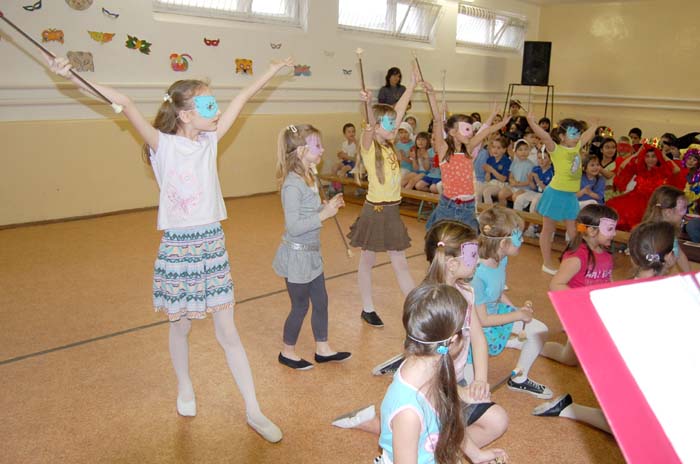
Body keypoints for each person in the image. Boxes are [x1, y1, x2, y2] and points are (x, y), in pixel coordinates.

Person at [45, 54, 291, 441]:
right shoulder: (162, 145)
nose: (216, 110)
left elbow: (243, 98)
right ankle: (185, 387)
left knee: (228, 331)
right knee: (181, 326)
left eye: (215, 104)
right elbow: (124, 102)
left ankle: (254, 410)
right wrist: (71, 77)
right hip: (178, 249)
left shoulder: (210, 141)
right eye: (207, 105)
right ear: (185, 115)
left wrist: (271, 71)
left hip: (212, 246)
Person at [333, 221, 509, 464]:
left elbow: (447, 404)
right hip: (440, 387)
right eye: (473, 254)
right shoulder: (430, 307)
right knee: (420, 427)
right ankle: (386, 427)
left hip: (447, 383)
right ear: (452, 340)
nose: (478, 260)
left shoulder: (461, 297)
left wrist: (477, 382)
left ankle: (400, 433)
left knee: (488, 421)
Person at [533, 220, 677, 432]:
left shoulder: (648, 287)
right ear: (668, 256)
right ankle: (571, 409)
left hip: (632, 370)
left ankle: (571, 409)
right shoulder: (645, 293)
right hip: (624, 372)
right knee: (630, 428)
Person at [273, 124, 351, 370]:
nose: (322, 149)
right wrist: (324, 215)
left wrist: (326, 208)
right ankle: (287, 352)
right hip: (297, 256)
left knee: (321, 301)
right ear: (301, 152)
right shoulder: (292, 185)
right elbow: (294, 226)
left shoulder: (310, 177)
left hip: (312, 254)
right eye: (317, 145)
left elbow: (309, 212)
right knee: (300, 306)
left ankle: (322, 348)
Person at [348, 65, 419, 328]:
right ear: (377, 126)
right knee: (368, 261)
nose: (395, 125)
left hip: (391, 212)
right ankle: (368, 308)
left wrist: (412, 85)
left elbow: (397, 111)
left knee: (400, 263)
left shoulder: (389, 143)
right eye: (389, 123)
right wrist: (366, 105)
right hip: (376, 211)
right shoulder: (369, 146)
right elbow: (369, 126)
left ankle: (417, 309)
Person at [472, 206, 552, 398]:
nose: (522, 240)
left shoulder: (501, 259)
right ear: (502, 243)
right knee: (471, 390)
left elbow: (498, 293)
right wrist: (517, 315)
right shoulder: (477, 274)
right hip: (474, 327)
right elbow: (482, 320)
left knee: (539, 330)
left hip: (492, 314)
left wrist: (515, 310)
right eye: (519, 236)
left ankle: (519, 379)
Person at [421, 84, 510, 231]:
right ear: (453, 132)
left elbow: (485, 131)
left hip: (468, 206)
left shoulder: (468, 148)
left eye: (471, 129)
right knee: (442, 239)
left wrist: (501, 122)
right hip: (448, 206)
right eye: (466, 129)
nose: (470, 133)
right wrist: (431, 95)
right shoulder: (443, 149)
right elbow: (437, 120)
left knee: (469, 240)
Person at [540, 204, 619, 367]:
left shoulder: (606, 254)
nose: (614, 233)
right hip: (579, 310)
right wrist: (584, 299)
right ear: (591, 230)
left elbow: (607, 278)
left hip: (594, 310)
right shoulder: (577, 257)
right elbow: (555, 284)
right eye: (610, 229)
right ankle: (533, 345)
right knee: (568, 359)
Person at [525, 113, 598, 274]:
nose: (577, 137)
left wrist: (594, 126)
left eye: (578, 133)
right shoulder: (556, 149)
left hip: (570, 196)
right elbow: (545, 136)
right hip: (555, 194)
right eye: (573, 134)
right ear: (562, 136)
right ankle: (547, 263)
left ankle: (576, 261)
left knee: (574, 231)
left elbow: (585, 136)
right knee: (548, 229)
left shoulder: (577, 147)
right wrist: (532, 122)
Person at [606, 144, 680, 231]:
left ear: (658, 157)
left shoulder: (662, 170)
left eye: (653, 156)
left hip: (654, 201)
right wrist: (637, 154)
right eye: (647, 156)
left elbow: (677, 169)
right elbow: (623, 166)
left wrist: (663, 155)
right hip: (636, 200)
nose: (650, 159)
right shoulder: (639, 169)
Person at [640, 185, 691, 273]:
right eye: (682, 209)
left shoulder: (669, 231)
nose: (684, 214)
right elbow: (647, 271)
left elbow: (679, 254)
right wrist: (665, 267)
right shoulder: (653, 238)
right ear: (668, 212)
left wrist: (690, 276)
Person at [498, 139, 535, 207]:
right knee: (501, 194)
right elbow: (511, 176)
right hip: (514, 186)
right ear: (515, 152)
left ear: (529, 151)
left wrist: (518, 184)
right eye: (520, 150)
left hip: (525, 188)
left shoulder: (531, 165)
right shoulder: (515, 162)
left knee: (515, 197)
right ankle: (503, 210)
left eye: (525, 149)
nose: (523, 152)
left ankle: (516, 212)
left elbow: (529, 181)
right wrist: (512, 181)